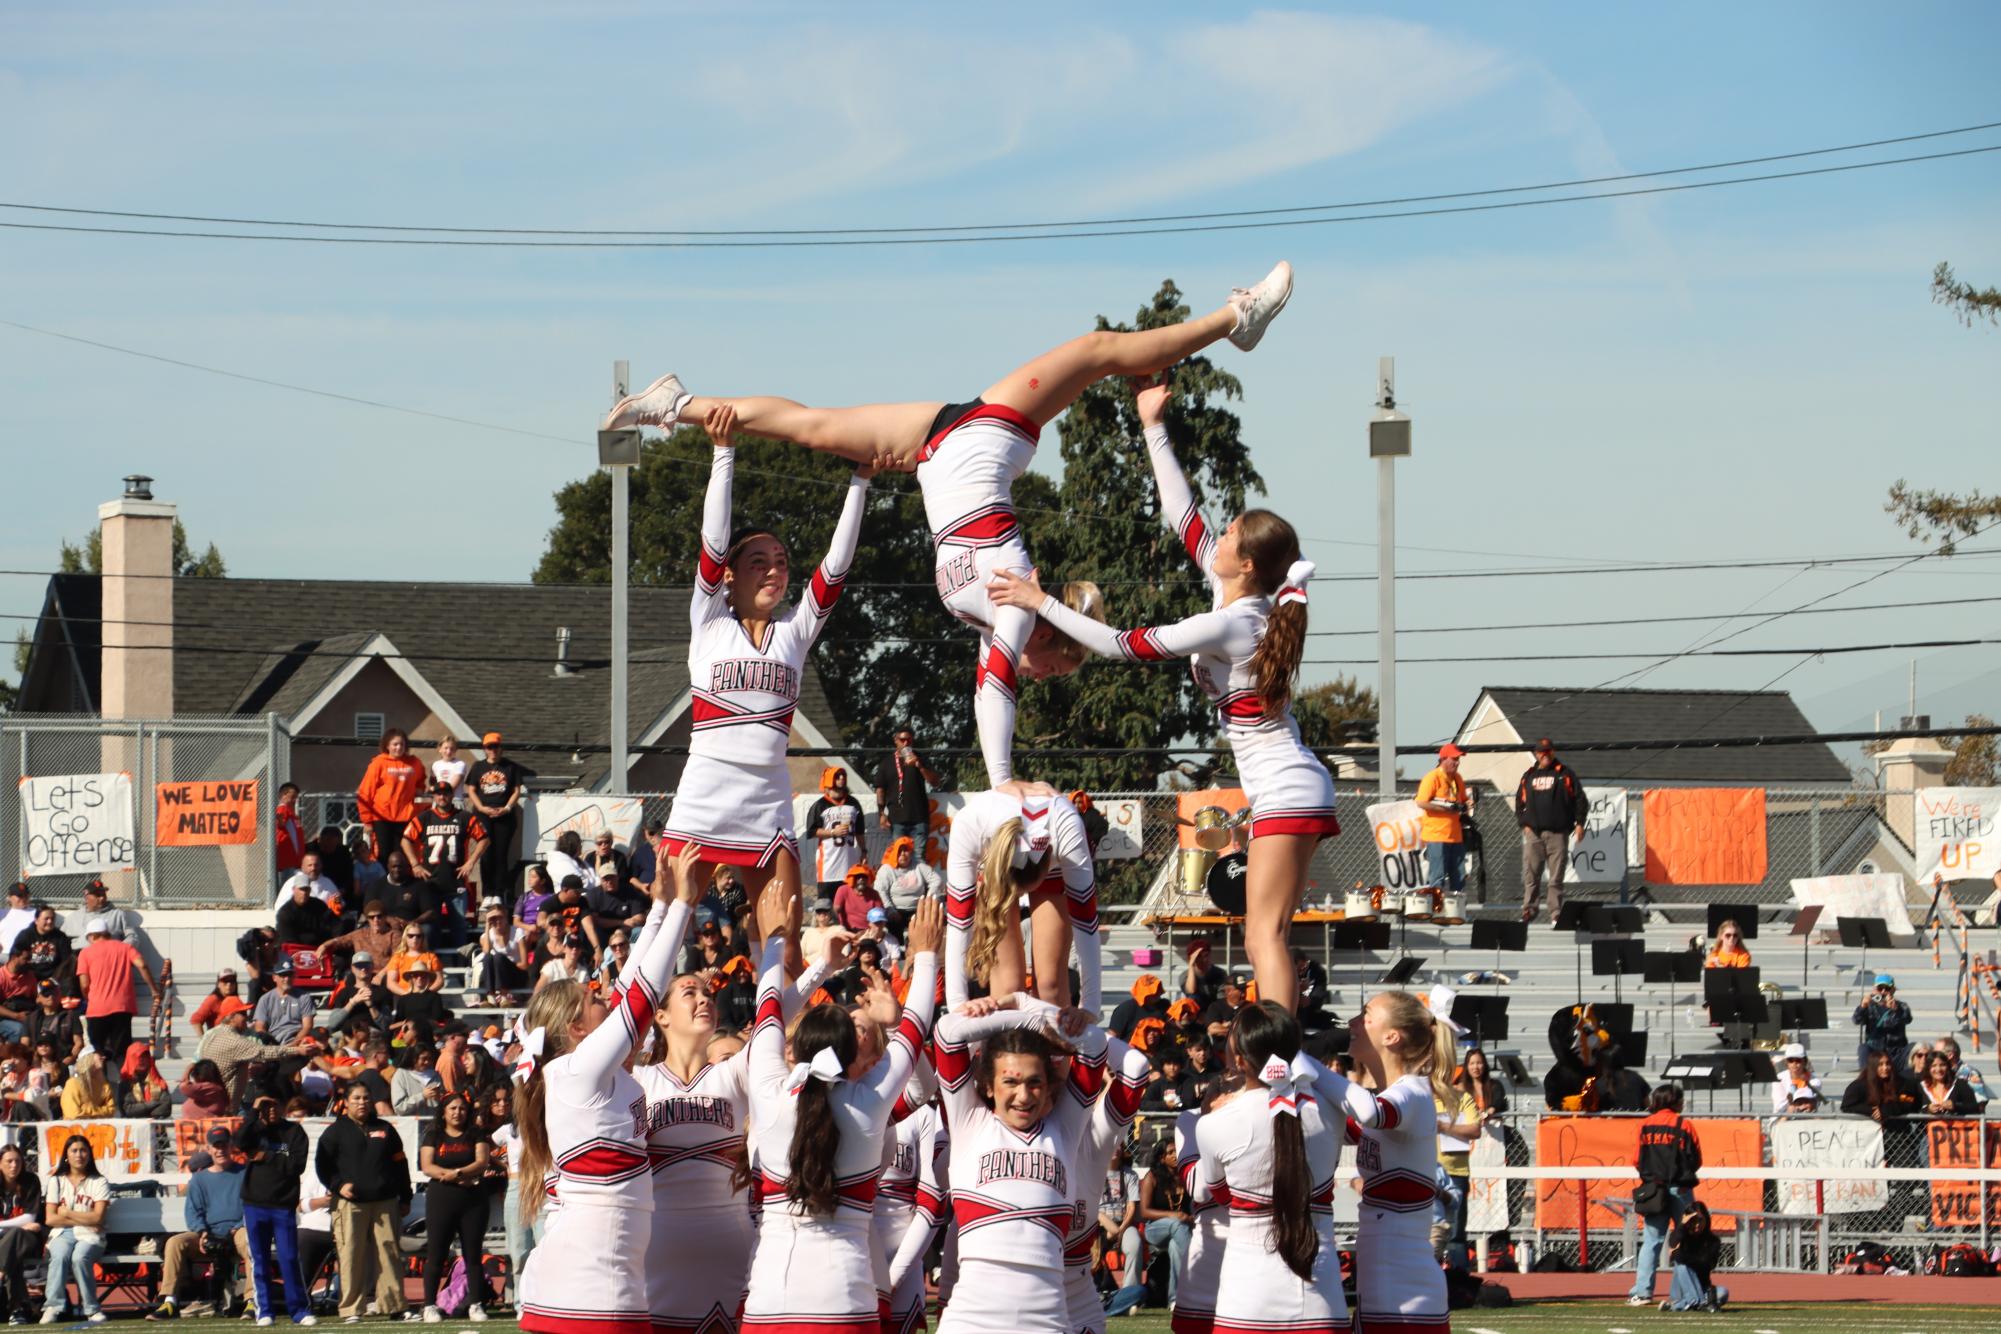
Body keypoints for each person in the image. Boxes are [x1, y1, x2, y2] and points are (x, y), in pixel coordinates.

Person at [613, 263, 1296, 793]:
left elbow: (986, 691)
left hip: (937, 448)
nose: (1042, 673)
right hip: (982, 442)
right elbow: (998, 690)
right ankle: (1237, 317)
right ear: (1052, 637)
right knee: (1098, 349)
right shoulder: (1018, 611)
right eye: (1055, 665)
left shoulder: (994, 624)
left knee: (814, 427)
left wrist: (998, 776)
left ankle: (676, 405)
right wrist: (1001, 779)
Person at [986, 379, 1332, 1011]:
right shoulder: (1233, 596)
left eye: (1231, 536)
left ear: (1249, 564)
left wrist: (1040, 604)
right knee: (1264, 935)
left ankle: (1280, 1059)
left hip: (1285, 785)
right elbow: (1183, 514)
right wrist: (1152, 424)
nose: (1219, 538)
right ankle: (1280, 1055)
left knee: (1263, 936)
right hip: (1286, 783)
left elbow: (1123, 645)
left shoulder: (1234, 619)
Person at [638, 400, 867, 925]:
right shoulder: (710, 620)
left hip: (769, 794)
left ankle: (772, 1009)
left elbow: (835, 568)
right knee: (667, 915)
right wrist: (723, 453)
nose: (773, 571)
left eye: (781, 562)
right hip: (707, 784)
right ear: (730, 578)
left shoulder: (795, 633)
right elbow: (713, 544)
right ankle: (631, 1008)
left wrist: (861, 479)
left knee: (783, 931)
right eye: (758, 562)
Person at [633, 886, 845, 1334]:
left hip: (734, 1247)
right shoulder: (639, 1081)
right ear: (661, 1016)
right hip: (657, 1250)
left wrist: (820, 967)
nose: (704, 998)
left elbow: (771, 1020)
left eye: (708, 992)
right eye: (689, 992)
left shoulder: (730, 1074)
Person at [737, 887, 942, 1334]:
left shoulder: (770, 1091)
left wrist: (774, 939)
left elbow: (768, 1010)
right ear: (855, 1057)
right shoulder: (870, 1103)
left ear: (797, 1049)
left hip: (770, 1299)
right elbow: (917, 1030)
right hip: (845, 1301)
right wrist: (925, 956)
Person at [513, 845, 697, 1334]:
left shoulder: (585, 1071)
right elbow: (641, 997)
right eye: (594, 999)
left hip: (608, 1265)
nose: (604, 997)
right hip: (589, 1275)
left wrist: (658, 905)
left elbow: (633, 979)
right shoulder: (577, 1072)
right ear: (575, 1027)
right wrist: (683, 904)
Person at [932, 985, 1145, 1334]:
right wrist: (1017, 1012)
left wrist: (1044, 1013)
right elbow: (948, 1034)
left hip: (1048, 1321)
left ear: (1048, 1087)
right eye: (1010, 1082)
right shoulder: (969, 1122)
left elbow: (1094, 1047)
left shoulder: (1065, 1129)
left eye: (1034, 1083)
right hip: (972, 1321)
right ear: (988, 1085)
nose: (1023, 1095)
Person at [1191, 1002, 1345, 1334]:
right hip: (1321, 1293)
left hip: (1246, 1297)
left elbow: (1221, 1195)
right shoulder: (1332, 1113)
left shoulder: (1213, 1125)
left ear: (1241, 1060)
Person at [1324, 991, 1455, 1334]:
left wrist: (1304, 1063)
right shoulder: (1390, 1096)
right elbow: (1331, 1129)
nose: (1353, 1023)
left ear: (1391, 1037)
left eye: (1366, 1015)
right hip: (1382, 1279)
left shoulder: (1412, 1091)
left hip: (1404, 1287)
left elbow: (1369, 1112)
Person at [943, 789, 1101, 1015]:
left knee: (1050, 986)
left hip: (1053, 854)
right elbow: (959, 921)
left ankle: (1057, 1050)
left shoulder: (1067, 831)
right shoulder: (969, 826)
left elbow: (1086, 924)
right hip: (994, 862)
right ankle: (1005, 1048)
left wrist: (1090, 1008)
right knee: (1008, 986)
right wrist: (957, 1002)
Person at [314, 1080, 413, 1322]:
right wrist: (338, 1186)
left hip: (385, 1201)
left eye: (366, 1098)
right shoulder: (335, 1131)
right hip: (350, 1204)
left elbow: (400, 1163)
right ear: (346, 1103)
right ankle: (351, 1309)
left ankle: (394, 1306)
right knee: (350, 1254)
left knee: (389, 1253)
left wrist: (405, 1195)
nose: (362, 1103)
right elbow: (322, 1166)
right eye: (356, 1098)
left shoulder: (386, 1129)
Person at [234, 1094, 316, 1328]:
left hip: (283, 1205)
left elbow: (295, 1167)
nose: (271, 1110)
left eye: (275, 1105)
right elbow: (240, 1142)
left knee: (289, 1258)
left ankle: (299, 1310)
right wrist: (253, 1111)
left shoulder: (295, 1133)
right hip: (254, 1204)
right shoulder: (254, 1129)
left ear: (282, 1107)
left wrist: (264, 1156)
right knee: (258, 1259)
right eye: (266, 1106)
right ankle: (264, 1311)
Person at [154, 1125, 252, 1319]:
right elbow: (193, 1211)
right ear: (209, 1149)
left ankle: (251, 1301)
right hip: (208, 1234)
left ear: (231, 1145)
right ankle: (169, 1302)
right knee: (175, 1242)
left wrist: (241, 1224)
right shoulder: (199, 1179)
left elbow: (253, 1206)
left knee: (251, 1240)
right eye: (216, 1146)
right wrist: (201, 1231)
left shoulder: (245, 1173)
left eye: (224, 1144)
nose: (220, 1149)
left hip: (238, 1230)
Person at [418, 1093, 492, 1323]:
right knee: (436, 1253)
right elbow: (427, 1166)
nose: (457, 1112)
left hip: (473, 1199)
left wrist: (458, 1173)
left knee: (473, 1253)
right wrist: (451, 1177)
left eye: (461, 1108)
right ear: (443, 1111)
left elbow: (482, 1162)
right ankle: (429, 1305)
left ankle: (475, 1304)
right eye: (452, 1108)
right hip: (442, 1197)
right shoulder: (434, 1134)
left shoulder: (475, 1134)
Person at [1627, 1084, 1702, 1306]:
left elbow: (1636, 1159)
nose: (1683, 1103)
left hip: (1653, 1190)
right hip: (1681, 1190)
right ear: (1673, 1101)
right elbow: (1696, 1159)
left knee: (1652, 1241)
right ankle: (1686, 1291)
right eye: (1681, 1099)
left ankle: (1642, 1291)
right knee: (1686, 1241)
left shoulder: (1645, 1125)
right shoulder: (1685, 1125)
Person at [401, 782, 487, 946]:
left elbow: (484, 839)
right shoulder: (425, 817)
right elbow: (405, 840)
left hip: (456, 882)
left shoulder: (464, 817)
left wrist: (471, 862)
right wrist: (414, 864)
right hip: (430, 883)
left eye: (446, 793)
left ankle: (461, 965)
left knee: (459, 927)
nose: (442, 797)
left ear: (452, 795)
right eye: (438, 794)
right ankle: (433, 966)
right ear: (434, 796)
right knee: (431, 928)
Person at [1514, 738, 1588, 922]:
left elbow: (1580, 800)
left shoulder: (1564, 773)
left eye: (1548, 751)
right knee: (1531, 875)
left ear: (1553, 752)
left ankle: (1555, 913)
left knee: (1556, 877)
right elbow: (1519, 803)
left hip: (1558, 833)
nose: (1545, 755)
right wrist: (1525, 825)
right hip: (1534, 834)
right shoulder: (1528, 775)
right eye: (1541, 752)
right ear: (1536, 754)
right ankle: (1529, 911)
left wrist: (1579, 823)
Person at [41, 1133, 110, 1325]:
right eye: (74, 1150)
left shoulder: (99, 1181)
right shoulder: (56, 1181)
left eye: (83, 1150)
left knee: (80, 1258)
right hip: (62, 1233)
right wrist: (84, 1219)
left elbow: (98, 1217)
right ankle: (53, 1307)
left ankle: (92, 1309)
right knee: (61, 1255)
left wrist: (67, 1212)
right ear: (66, 1155)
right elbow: (50, 1218)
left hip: (91, 1236)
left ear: (89, 1154)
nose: (79, 1155)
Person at [68, 915, 153, 1065]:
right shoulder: (125, 947)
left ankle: (102, 1086)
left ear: (93, 936)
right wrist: (154, 989)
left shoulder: (86, 953)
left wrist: (88, 998)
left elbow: (84, 983)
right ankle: (125, 1086)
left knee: (97, 1052)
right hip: (122, 1007)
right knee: (122, 1053)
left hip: (97, 1009)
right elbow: (142, 964)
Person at [465, 733, 529, 904]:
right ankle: (487, 893)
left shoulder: (510, 767)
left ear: (501, 748)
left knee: (501, 854)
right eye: (489, 747)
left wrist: (507, 808)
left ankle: (499, 893)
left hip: (504, 816)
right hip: (483, 814)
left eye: (495, 746)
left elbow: (516, 790)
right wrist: (481, 808)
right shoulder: (478, 766)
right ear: (485, 749)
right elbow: (471, 789)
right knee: (485, 854)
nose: (492, 750)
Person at [1135, 1139, 1194, 1312]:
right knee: (1177, 1225)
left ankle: (1175, 1300)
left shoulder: (1185, 1177)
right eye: (1170, 1152)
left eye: (1177, 1151)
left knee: (1176, 1247)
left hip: (1181, 1230)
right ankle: (1195, 1273)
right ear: (1162, 1158)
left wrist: (1189, 1218)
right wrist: (1173, 1215)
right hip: (1154, 1230)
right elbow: (1144, 1212)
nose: (1175, 1155)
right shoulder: (1151, 1177)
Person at [356, 728, 426, 863]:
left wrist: (419, 788)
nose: (398, 747)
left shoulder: (414, 762)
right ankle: (385, 882)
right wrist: (367, 821)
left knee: (402, 855)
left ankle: (400, 883)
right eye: (395, 744)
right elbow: (365, 793)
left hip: (405, 816)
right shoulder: (378, 763)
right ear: (387, 745)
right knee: (383, 854)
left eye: (402, 744)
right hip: (382, 817)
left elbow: (421, 780)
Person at [874, 727, 943, 860]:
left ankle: (919, 881)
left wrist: (919, 765)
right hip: (897, 819)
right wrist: (881, 814)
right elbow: (880, 789)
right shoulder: (886, 763)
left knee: (919, 858)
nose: (906, 743)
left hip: (919, 818)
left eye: (909, 740)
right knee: (900, 858)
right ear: (896, 741)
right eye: (902, 740)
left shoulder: (920, 758)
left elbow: (935, 782)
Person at [1415, 745, 1471, 904]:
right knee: (1438, 876)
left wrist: (1468, 805)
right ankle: (1436, 910)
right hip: (1436, 835)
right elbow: (1421, 802)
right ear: (1443, 759)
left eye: (1458, 759)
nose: (1457, 762)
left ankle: (1457, 911)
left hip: (1456, 835)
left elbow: (1463, 802)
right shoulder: (1432, 777)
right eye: (1454, 759)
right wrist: (1446, 808)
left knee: (1459, 876)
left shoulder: (1458, 778)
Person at [805, 767, 869, 901]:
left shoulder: (853, 803)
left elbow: (859, 831)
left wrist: (863, 851)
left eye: (843, 775)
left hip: (849, 863)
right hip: (828, 865)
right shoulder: (820, 805)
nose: (842, 778)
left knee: (849, 904)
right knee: (826, 905)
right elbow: (811, 831)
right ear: (829, 780)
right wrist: (833, 832)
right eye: (838, 776)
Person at [198, 995, 268, 1108]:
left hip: (248, 1095)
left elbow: (263, 1057)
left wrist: (258, 1066)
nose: (247, 1017)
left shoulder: (252, 1035)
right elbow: (198, 1062)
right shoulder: (211, 1035)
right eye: (243, 1014)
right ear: (231, 1017)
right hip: (222, 1099)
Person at [0, 1145, 43, 1325]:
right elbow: (23, 1221)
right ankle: (17, 1310)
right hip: (5, 1243)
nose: (14, 1165)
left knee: (16, 1235)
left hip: (29, 1239)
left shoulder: (31, 1180)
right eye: (9, 1161)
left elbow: (30, 1217)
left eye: (17, 1161)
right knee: (12, 1255)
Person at [1662, 1199, 1727, 1312]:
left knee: (1723, 1292)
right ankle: (1698, 1302)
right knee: (1681, 1266)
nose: (1697, 1225)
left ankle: (1682, 1305)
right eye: (1693, 1221)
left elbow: (1707, 1264)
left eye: (1700, 1220)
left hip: (1702, 1287)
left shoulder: (1713, 1241)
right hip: (1681, 1289)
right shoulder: (1683, 1236)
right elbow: (1673, 1244)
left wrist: (1680, 1254)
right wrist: (1682, 1225)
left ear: (1707, 1219)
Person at [873, 836, 941, 927]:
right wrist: (890, 910)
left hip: (918, 910)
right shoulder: (887, 869)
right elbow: (879, 890)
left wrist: (927, 901)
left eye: (906, 850)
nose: (903, 854)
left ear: (911, 853)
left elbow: (936, 880)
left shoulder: (919, 866)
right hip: (894, 910)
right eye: (899, 851)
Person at [1855, 974, 1914, 1072]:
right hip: (1876, 1051)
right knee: (1863, 1048)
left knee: (1913, 1048)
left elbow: (1907, 1019)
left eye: (1887, 988)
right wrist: (1863, 1006)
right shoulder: (1870, 1006)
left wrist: (1895, 1010)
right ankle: (1865, 1077)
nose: (1883, 992)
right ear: (1874, 989)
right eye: (1880, 988)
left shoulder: (1901, 1006)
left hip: (1896, 1052)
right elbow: (1857, 1020)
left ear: (1893, 990)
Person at [252, 957, 314, 1045]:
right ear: (274, 977)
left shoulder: (304, 997)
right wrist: (270, 1042)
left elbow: (307, 1026)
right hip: (274, 1041)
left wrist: (293, 1044)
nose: (287, 979)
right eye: (283, 975)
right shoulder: (265, 999)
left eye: (290, 974)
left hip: (298, 1040)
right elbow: (259, 1026)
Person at [1918, 1048, 1980, 1115]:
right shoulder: (1920, 1087)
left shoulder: (1959, 1084)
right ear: (1928, 1068)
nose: (1938, 1069)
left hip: (1956, 1124)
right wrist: (1928, 1109)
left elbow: (1975, 1108)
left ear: (1948, 1067)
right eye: (1934, 1066)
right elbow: (1912, 1109)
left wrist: (1955, 1106)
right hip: (1928, 1125)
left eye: (1942, 1065)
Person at [118, 1041, 171, 1118]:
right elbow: (128, 1110)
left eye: (144, 1056)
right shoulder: (125, 1083)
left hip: (156, 1126)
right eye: (137, 1057)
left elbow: (166, 1107)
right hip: (133, 1127)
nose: (141, 1060)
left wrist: (147, 1114)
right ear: (130, 1059)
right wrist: (152, 1105)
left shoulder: (158, 1081)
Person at [58, 1051, 116, 1120]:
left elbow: (111, 1111)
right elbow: (72, 1115)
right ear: (87, 1058)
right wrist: (99, 1111)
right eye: (98, 1054)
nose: (103, 1057)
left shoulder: (105, 1086)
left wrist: (87, 1109)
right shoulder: (73, 1083)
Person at [831, 863, 883, 933]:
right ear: (852, 879)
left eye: (864, 877)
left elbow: (880, 915)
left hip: (868, 931)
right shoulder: (843, 890)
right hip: (847, 931)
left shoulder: (874, 894)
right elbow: (835, 911)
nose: (861, 879)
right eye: (858, 877)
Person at [1770, 1043, 1822, 1114]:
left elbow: (1811, 1105)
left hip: (1806, 1117)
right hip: (1781, 1117)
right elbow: (1779, 1107)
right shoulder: (1778, 1079)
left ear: (1805, 1062)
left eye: (1798, 1060)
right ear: (1786, 1063)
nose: (1794, 1064)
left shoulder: (1815, 1081)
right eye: (1791, 1060)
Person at [190, 969, 244, 1035]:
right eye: (225, 981)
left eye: (232, 981)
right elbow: (195, 1020)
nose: (229, 985)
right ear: (218, 984)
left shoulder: (236, 1000)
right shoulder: (213, 1000)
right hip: (218, 1040)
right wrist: (204, 1040)